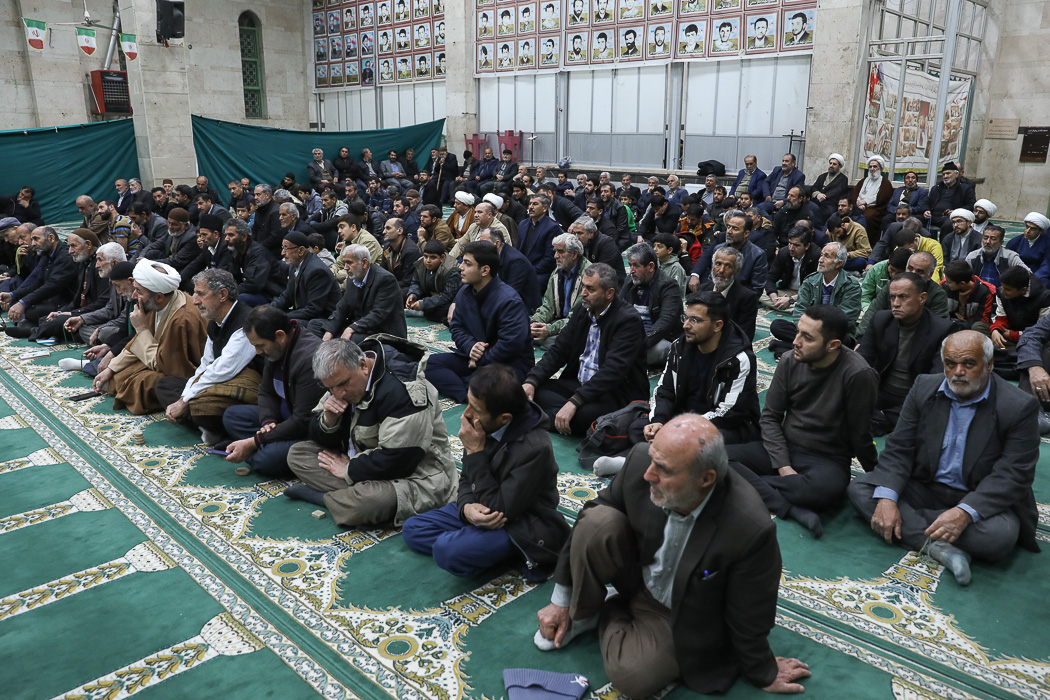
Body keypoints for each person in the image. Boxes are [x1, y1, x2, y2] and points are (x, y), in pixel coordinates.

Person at [535, 414, 810, 696]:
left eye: (664, 469)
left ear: (705, 479)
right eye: (653, 460)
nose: (648, 475)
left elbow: (751, 610)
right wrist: (561, 602)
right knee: (598, 522)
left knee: (635, 678)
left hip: (679, 612)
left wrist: (762, 670)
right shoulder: (640, 461)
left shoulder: (749, 528)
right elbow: (590, 517)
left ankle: (607, 609)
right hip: (637, 572)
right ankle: (582, 610)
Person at [848, 331, 1040, 586]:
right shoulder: (924, 387)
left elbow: (1014, 474)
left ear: (989, 364)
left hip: (977, 495)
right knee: (861, 488)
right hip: (925, 485)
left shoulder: (1018, 406)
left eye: (968, 364)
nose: (958, 372)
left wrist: (964, 513)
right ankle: (939, 547)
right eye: (950, 363)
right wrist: (887, 499)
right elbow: (899, 448)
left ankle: (913, 524)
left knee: (1000, 535)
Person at [402, 364, 570, 579]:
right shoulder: (483, 424)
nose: (466, 414)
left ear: (505, 418)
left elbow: (498, 509)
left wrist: (475, 453)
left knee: (446, 551)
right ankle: (478, 544)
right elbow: (466, 478)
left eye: (476, 409)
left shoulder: (535, 449)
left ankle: (503, 551)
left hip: (520, 523)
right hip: (482, 502)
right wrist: (466, 508)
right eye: (468, 402)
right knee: (413, 528)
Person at [727, 305, 879, 537]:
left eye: (807, 338)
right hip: (783, 447)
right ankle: (789, 507)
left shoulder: (858, 374)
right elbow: (770, 417)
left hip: (827, 458)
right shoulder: (790, 359)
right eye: (797, 332)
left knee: (823, 491)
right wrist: (783, 466)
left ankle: (745, 483)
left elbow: (861, 435)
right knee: (717, 458)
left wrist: (878, 478)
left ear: (833, 345)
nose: (795, 341)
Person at [283, 337, 458, 528]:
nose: (338, 394)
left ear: (363, 366)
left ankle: (327, 498)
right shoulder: (341, 377)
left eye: (342, 385)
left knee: (370, 502)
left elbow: (399, 460)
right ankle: (349, 500)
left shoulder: (404, 391)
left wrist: (349, 469)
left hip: (417, 476)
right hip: (365, 463)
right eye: (330, 388)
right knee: (297, 454)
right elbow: (318, 434)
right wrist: (328, 420)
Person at [524, 263, 647, 436]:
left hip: (613, 393)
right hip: (579, 384)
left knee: (583, 417)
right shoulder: (583, 310)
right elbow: (559, 350)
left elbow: (612, 371)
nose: (583, 293)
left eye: (590, 289)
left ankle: (536, 416)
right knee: (533, 392)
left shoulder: (628, 320)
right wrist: (532, 381)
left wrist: (575, 402)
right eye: (583, 286)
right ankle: (552, 416)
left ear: (609, 293)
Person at [155, 269, 261, 445]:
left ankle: (206, 425)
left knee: (198, 407)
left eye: (201, 294)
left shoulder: (246, 323)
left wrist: (184, 401)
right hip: (219, 385)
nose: (195, 301)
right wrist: (184, 397)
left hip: (243, 389)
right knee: (165, 385)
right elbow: (206, 365)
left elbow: (223, 370)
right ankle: (204, 425)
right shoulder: (214, 323)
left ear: (222, 295)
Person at [221, 306, 326, 478]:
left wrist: (256, 441)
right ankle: (263, 445)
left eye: (260, 345)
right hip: (282, 420)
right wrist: (267, 421)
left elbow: (302, 421)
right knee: (232, 416)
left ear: (280, 336)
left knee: (266, 460)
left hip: (306, 433)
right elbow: (266, 391)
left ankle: (256, 449)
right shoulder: (277, 349)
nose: (257, 351)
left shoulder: (309, 359)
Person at [93, 261, 208, 415]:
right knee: (122, 371)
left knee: (145, 381)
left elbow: (165, 366)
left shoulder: (182, 320)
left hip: (180, 371)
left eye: (139, 291)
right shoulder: (157, 303)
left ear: (159, 297)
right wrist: (111, 368)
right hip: (160, 358)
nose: (135, 296)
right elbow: (137, 344)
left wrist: (141, 329)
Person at [427, 241, 534, 403]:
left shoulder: (509, 300)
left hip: (508, 364)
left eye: (467, 263)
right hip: (475, 357)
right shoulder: (465, 292)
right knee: (429, 364)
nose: (461, 267)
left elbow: (510, 344)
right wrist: (470, 347)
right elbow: (457, 327)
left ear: (485, 270)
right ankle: (468, 393)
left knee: (485, 382)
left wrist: (479, 360)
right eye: (462, 262)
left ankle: (472, 388)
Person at [859, 272, 954, 436]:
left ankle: (884, 420)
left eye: (903, 297)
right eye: (892, 297)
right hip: (879, 393)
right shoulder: (881, 320)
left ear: (922, 298)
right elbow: (862, 363)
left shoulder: (942, 329)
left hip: (914, 398)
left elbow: (934, 382)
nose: (896, 303)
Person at [767, 242, 861, 357]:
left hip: (833, 332)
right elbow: (800, 309)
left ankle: (787, 347)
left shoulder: (851, 285)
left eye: (827, 256)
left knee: (844, 341)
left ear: (839, 263)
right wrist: (807, 329)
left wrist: (819, 330)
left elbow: (847, 317)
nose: (820, 260)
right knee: (777, 326)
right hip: (810, 329)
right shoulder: (810, 281)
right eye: (821, 255)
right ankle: (815, 349)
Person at [315, 244, 407, 342]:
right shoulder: (352, 279)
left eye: (349, 263)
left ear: (364, 263)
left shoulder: (385, 280)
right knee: (315, 325)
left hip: (380, 331)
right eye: (345, 263)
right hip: (359, 328)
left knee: (352, 339)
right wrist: (329, 332)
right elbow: (342, 309)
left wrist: (352, 328)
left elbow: (378, 314)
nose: (345, 267)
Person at [30, 229, 106, 342]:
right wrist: (61, 312)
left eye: (73, 246)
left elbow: (102, 303)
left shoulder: (100, 266)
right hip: (82, 310)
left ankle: (36, 332)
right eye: (69, 246)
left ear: (88, 245)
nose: (70, 251)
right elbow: (77, 299)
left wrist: (72, 313)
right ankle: (48, 331)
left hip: (93, 313)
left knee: (58, 322)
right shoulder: (84, 263)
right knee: (48, 318)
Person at [0, 225, 78, 331]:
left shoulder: (65, 256)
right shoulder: (46, 254)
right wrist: (13, 295)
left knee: (31, 310)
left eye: (36, 239)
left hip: (67, 301)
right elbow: (38, 283)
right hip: (54, 296)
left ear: (51, 238)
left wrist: (23, 303)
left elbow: (52, 286)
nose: (33, 243)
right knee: (24, 305)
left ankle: (35, 330)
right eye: (32, 239)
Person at [857, 251, 948, 337]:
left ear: (930, 275)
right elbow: (872, 312)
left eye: (919, 271)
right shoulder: (893, 285)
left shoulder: (937, 294)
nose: (913, 274)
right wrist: (861, 338)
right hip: (888, 334)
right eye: (910, 268)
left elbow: (939, 327)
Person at [620, 243, 682, 366]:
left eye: (636, 265)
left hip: (658, 339)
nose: (631, 271)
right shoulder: (629, 281)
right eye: (630, 265)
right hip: (632, 337)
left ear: (650, 266)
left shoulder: (668, 286)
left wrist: (638, 343)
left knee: (649, 351)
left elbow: (665, 323)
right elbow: (618, 310)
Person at [531, 233, 591, 348]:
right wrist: (535, 322)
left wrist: (550, 329)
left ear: (574, 254)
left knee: (553, 342)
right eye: (555, 251)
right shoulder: (556, 273)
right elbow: (548, 306)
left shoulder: (588, 276)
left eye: (560, 252)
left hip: (579, 325)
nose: (555, 256)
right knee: (529, 328)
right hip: (560, 322)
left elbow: (577, 317)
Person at [688, 210, 768, 294]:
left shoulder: (757, 255)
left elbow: (756, 290)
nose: (729, 231)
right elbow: (712, 280)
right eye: (728, 227)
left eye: (735, 228)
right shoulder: (718, 248)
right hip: (715, 296)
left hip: (741, 298)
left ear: (746, 234)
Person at [269, 231, 341, 321]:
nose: (282, 253)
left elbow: (313, 309)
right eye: (283, 248)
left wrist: (282, 317)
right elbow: (287, 297)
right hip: (305, 313)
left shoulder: (317, 271)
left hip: (321, 320)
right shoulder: (294, 264)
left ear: (301, 250)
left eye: (286, 248)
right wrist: (267, 310)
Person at [697, 246, 760, 341]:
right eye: (718, 264)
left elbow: (745, 335)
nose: (721, 270)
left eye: (728, 266)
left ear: (737, 271)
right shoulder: (702, 289)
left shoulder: (747, 297)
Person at [763, 227, 820, 312]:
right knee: (760, 291)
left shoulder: (817, 256)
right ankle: (788, 307)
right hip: (786, 292)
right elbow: (770, 278)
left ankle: (789, 307)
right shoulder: (783, 253)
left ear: (807, 246)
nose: (791, 248)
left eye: (796, 245)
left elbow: (816, 289)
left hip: (806, 294)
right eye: (790, 243)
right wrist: (774, 299)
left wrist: (791, 300)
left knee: (816, 300)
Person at [406, 239, 460, 323]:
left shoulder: (452, 270)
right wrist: (413, 294)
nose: (428, 261)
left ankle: (423, 313)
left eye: (433, 257)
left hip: (448, 301)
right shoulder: (420, 263)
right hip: (430, 297)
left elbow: (448, 296)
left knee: (445, 309)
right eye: (426, 256)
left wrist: (424, 303)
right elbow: (416, 282)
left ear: (442, 257)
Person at [517, 194, 561, 287]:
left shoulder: (552, 227)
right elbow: (518, 250)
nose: (531, 207)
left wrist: (530, 271)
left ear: (545, 208)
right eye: (530, 204)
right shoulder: (523, 224)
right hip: (523, 268)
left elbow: (549, 259)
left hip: (541, 272)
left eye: (535, 204)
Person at [942, 259, 995, 334]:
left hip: (971, 330)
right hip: (949, 324)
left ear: (962, 284)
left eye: (949, 282)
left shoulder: (985, 292)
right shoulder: (945, 286)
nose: (946, 283)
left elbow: (982, 320)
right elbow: (940, 312)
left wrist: (959, 326)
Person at [966, 224, 1026, 290]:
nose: (988, 242)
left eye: (993, 239)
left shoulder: (1010, 257)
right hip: (978, 293)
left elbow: (1028, 275)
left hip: (1002, 294)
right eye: (985, 238)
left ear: (1001, 242)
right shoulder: (972, 256)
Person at [849, 156, 893, 239]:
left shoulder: (885, 182)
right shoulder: (863, 181)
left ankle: (867, 241)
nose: (872, 169)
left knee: (868, 217)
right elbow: (854, 193)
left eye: (875, 166)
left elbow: (883, 198)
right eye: (870, 167)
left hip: (875, 208)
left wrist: (865, 202)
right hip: (858, 206)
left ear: (880, 168)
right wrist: (858, 203)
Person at [379, 217, 421, 299]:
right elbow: (382, 272)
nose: (384, 232)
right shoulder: (387, 248)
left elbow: (408, 281)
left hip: (407, 289)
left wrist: (386, 286)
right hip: (393, 284)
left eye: (388, 228)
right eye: (384, 228)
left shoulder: (411, 251)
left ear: (400, 231)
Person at [1005, 212, 1050, 285]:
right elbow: (1006, 260)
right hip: (1016, 274)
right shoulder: (1015, 241)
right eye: (1027, 227)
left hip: (1038, 276)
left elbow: (1046, 265)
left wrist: (1034, 277)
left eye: (1033, 229)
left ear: (1041, 231)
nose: (1028, 231)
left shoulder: (1047, 243)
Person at [809, 154, 851, 226]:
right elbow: (814, 188)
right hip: (817, 201)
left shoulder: (843, 179)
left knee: (828, 212)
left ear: (840, 166)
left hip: (830, 204)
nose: (831, 165)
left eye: (834, 164)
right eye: (830, 163)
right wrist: (818, 194)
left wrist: (824, 196)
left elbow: (838, 191)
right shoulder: (822, 176)